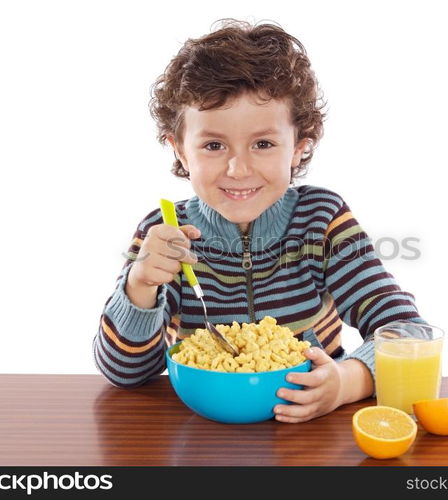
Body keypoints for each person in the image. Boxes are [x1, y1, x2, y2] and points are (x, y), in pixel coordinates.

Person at [93, 18, 427, 423]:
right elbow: (124, 374)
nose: (238, 169)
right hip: (203, 435)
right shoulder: (163, 235)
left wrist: (346, 381)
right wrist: (140, 284)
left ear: (298, 149)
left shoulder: (321, 221)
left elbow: (410, 334)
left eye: (263, 144)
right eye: (214, 145)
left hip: (311, 431)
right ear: (181, 151)